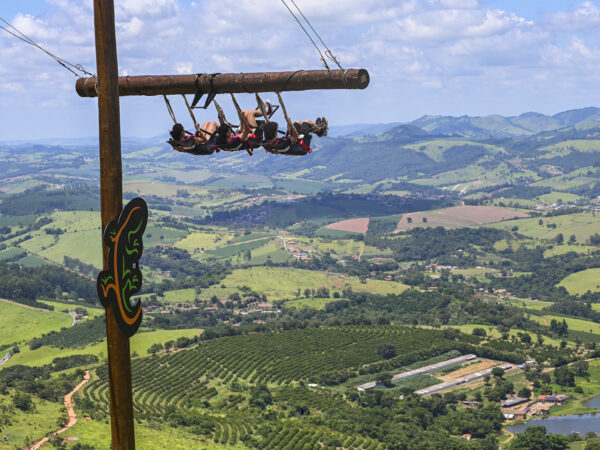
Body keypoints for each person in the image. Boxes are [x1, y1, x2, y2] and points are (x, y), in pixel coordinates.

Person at [262, 116, 327, 155]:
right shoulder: (283, 144)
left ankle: (316, 128)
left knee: (297, 122)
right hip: (302, 147)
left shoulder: (267, 142)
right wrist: (290, 124)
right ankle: (321, 132)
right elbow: (295, 137)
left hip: (292, 143)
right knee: (307, 122)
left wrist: (268, 124)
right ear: (275, 132)